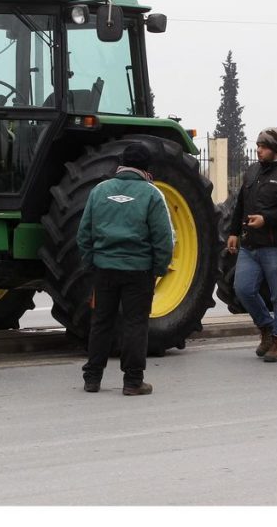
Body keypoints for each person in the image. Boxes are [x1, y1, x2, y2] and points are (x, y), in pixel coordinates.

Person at [77, 142, 174, 396]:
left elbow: (83, 233)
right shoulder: (152, 194)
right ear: (145, 167)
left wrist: (92, 263)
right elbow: (163, 238)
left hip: (104, 269)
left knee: (101, 322)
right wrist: (159, 269)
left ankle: (92, 378)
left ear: (120, 163)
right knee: (135, 324)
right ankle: (132, 382)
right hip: (138, 271)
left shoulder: (99, 191)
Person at [226, 127, 277, 362]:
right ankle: (266, 327)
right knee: (243, 289)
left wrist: (267, 219)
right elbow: (241, 202)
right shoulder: (252, 171)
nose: (258, 149)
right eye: (258, 145)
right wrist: (233, 232)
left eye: (263, 146)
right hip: (251, 245)